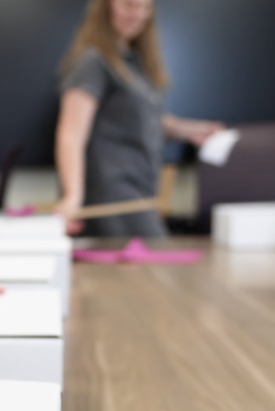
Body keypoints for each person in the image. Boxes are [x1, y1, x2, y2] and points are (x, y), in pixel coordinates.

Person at [53, 0, 223, 237]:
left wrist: (191, 130)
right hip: (110, 195)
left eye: (145, 7)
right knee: (156, 264)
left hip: (140, 190)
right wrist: (72, 197)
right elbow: (71, 132)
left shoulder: (133, 63)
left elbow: (144, 119)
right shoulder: (92, 61)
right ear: (105, 7)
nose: (138, 14)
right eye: (129, 5)